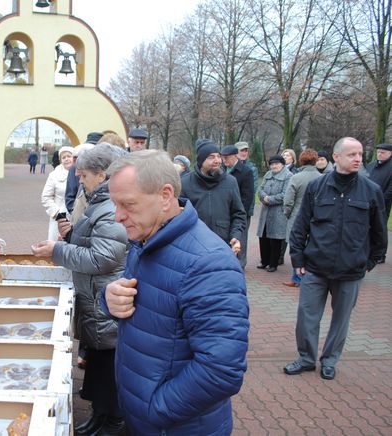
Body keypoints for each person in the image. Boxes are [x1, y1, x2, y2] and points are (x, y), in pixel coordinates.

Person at [101, 150, 249, 435]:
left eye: (127, 204)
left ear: (166, 195)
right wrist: (109, 299)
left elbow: (221, 370)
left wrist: (153, 410)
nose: (118, 217)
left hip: (174, 425)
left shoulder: (208, 263)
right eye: (115, 204)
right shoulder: (146, 239)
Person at [31, 144, 129, 436]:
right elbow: (94, 244)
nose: (80, 181)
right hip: (96, 299)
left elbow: (102, 258)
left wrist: (58, 250)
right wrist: (72, 235)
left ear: (102, 174)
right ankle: (100, 415)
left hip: (106, 299)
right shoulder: (99, 200)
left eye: (84, 175)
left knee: (109, 367)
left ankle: (114, 420)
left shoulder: (110, 207)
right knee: (98, 365)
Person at [285, 137, 387, 381]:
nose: (358, 159)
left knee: (341, 321)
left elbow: (380, 233)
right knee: (307, 317)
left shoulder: (371, 191)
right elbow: (300, 226)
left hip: (351, 271)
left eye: (360, 154)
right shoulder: (317, 188)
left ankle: (329, 360)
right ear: (336, 157)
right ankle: (306, 358)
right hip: (316, 268)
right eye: (351, 154)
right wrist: (298, 259)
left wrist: (369, 262)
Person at [180, 139, 246, 255]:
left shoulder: (230, 182)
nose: (217, 161)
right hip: (194, 246)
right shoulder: (185, 183)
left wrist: (236, 235)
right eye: (211, 157)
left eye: (218, 156)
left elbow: (238, 214)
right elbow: (178, 216)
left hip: (223, 245)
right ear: (201, 160)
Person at [282, 150, 321, 287]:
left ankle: (297, 277)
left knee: (297, 245)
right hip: (317, 217)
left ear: (301, 161)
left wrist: (288, 214)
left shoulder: (296, 178)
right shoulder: (322, 177)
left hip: (297, 217)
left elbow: (288, 201)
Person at [221, 145, 255, 269]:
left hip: (240, 212)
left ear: (235, 156)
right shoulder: (221, 170)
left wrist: (241, 213)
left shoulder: (246, 171)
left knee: (240, 239)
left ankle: (240, 265)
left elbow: (248, 195)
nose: (224, 161)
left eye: (227, 158)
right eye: (223, 158)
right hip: (224, 210)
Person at [256, 155, 292, 272]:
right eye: (272, 164)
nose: (274, 166)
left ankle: (273, 263)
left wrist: (269, 199)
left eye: (276, 163)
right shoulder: (268, 174)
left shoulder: (288, 176)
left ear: (282, 164)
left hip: (278, 212)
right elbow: (260, 189)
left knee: (275, 239)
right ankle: (264, 261)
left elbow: (285, 194)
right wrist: (263, 197)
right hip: (265, 211)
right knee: (264, 236)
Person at [41, 146, 74, 240]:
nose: (66, 159)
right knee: (58, 249)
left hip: (77, 219)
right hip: (60, 219)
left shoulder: (80, 173)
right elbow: (46, 197)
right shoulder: (54, 175)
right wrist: (58, 214)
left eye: (69, 156)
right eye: (63, 157)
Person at [236, 141, 259, 259]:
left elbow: (252, 190)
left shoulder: (251, 168)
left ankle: (241, 262)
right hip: (229, 206)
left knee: (242, 236)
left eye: (246, 150)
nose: (244, 153)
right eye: (241, 150)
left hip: (245, 208)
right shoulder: (229, 166)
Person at [366, 143, 392, 220]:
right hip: (366, 202)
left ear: (390, 153)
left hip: (382, 204)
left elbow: (390, 190)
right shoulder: (371, 165)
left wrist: (379, 201)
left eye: (382, 152)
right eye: (378, 152)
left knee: (379, 227)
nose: (379, 154)